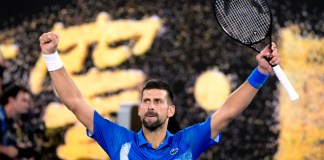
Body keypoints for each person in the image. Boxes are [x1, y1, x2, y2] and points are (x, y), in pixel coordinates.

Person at [39, 32, 280, 159]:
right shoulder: (119, 141)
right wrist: (51, 56)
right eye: (146, 101)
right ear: (140, 109)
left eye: (158, 101)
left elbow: (227, 112)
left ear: (170, 110)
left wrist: (260, 72)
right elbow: (75, 103)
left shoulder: (187, 143)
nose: (151, 106)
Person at [0, 85, 33, 159]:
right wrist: (6, 150)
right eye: (23, 100)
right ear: (11, 100)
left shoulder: (11, 123)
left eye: (29, 102)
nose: (27, 105)